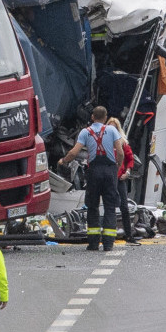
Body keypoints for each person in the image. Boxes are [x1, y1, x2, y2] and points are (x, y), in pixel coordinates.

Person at [59, 106, 125, 251]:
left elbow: (74, 152)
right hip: (109, 170)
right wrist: (117, 168)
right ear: (106, 118)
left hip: (94, 172)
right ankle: (108, 244)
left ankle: (94, 243)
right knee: (110, 207)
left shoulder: (85, 132)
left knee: (92, 207)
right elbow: (120, 152)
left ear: (92, 117)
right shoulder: (113, 130)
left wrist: (63, 161)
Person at [106, 117, 138, 244]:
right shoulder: (104, 143)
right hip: (109, 179)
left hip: (120, 179)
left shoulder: (123, 143)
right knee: (110, 208)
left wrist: (127, 172)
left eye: (115, 127)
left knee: (124, 206)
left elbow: (130, 159)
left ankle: (128, 234)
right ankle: (110, 234)